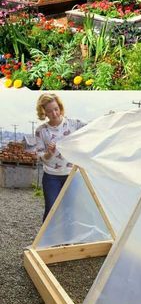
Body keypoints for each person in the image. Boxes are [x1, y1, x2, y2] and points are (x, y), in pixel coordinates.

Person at [35, 93, 85, 222]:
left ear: (60, 107)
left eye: (56, 109)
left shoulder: (74, 124)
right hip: (51, 176)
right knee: (51, 209)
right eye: (50, 111)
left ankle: (68, 241)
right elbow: (41, 156)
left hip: (72, 175)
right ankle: (46, 242)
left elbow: (93, 130)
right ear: (43, 112)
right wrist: (49, 153)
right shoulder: (41, 131)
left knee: (70, 210)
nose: (55, 114)